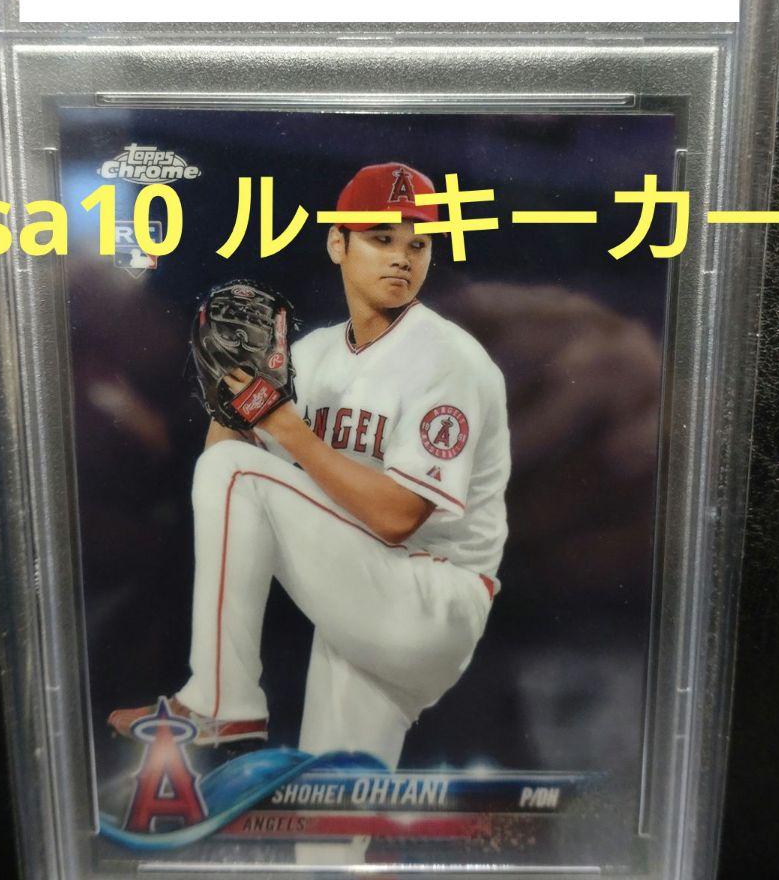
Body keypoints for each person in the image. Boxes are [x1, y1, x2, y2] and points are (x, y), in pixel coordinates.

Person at [108, 162, 510, 771]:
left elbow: (398, 517)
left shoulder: (448, 359)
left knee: (236, 474)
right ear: (337, 243)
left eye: (418, 244)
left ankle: (220, 698)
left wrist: (282, 424)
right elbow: (229, 492)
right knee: (336, 799)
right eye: (381, 238)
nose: (401, 258)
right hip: (366, 595)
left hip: (434, 597)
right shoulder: (313, 355)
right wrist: (228, 401)